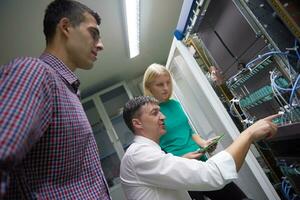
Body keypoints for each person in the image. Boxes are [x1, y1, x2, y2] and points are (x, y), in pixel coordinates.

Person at [0, 0, 110, 199]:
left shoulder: (68, 91)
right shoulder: (34, 72)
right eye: (93, 34)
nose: (100, 45)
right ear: (66, 27)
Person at [120, 96, 278, 200]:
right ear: (137, 123)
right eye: (155, 113)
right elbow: (213, 175)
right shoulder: (139, 155)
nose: (163, 117)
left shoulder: (147, 152)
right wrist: (248, 134)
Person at [143, 63, 249, 199]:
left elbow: (189, 132)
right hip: (182, 171)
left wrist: (204, 144)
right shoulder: (149, 114)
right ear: (149, 87)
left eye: (168, 82)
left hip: (201, 162)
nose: (166, 88)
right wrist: (180, 160)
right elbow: (154, 151)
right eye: (159, 84)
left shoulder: (175, 104)